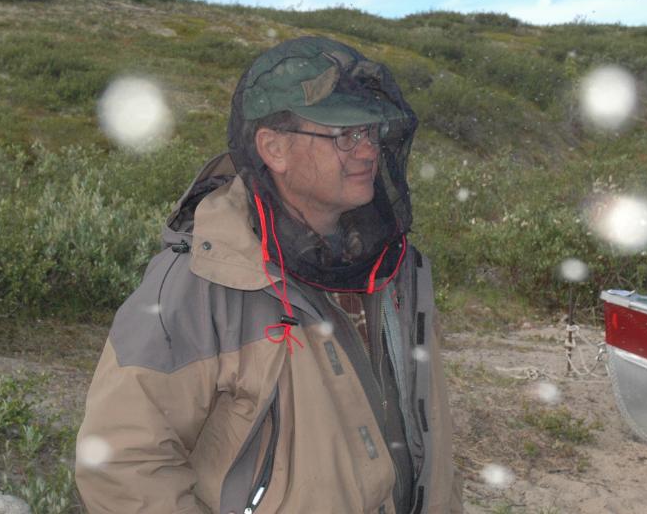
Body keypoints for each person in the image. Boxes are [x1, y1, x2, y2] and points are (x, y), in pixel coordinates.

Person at [76, 36, 464, 513]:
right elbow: (121, 462)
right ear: (274, 148)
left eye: (370, 131)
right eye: (344, 135)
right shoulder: (201, 282)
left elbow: (427, 440)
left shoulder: (395, 268)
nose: (368, 152)